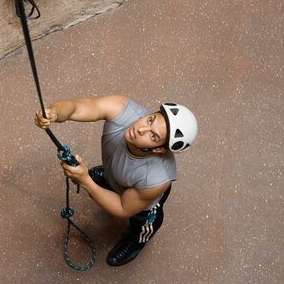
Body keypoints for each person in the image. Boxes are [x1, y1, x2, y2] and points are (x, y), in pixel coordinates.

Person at [35, 96, 198, 266]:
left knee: (142, 223)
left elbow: (123, 207)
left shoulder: (157, 179)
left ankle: (136, 242)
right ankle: (111, 179)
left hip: (141, 199)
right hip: (119, 174)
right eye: (150, 120)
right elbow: (76, 107)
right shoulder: (121, 109)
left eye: (153, 136)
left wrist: (85, 181)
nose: (141, 129)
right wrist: (55, 112)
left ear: (158, 150)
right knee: (112, 176)